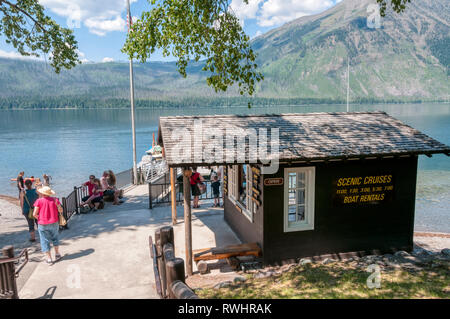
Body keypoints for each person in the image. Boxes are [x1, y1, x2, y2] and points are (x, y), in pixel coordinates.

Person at [33, 186, 63, 264]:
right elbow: (61, 210)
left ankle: (49, 258)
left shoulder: (38, 201)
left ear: (42, 193)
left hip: (43, 224)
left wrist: (40, 218)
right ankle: (57, 254)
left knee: (44, 240)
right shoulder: (55, 200)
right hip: (54, 222)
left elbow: (34, 214)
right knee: (55, 238)